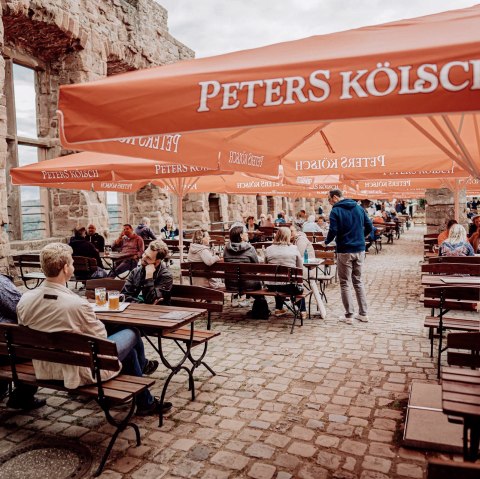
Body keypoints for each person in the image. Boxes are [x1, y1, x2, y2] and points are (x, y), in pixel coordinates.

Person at [16, 243, 169, 416]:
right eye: (72, 263)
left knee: (130, 353)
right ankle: (143, 383)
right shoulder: (77, 304)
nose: (73, 266)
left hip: (44, 367)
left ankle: (145, 401)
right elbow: (101, 338)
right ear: (66, 268)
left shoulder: (25, 299)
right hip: (79, 371)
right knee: (132, 332)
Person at [325, 189, 373, 324]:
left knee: (345, 282)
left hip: (344, 249)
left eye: (329, 200)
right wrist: (361, 237)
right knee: (358, 281)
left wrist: (327, 241)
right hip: (359, 249)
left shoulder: (336, 210)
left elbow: (333, 230)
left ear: (335, 197)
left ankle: (349, 315)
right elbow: (369, 226)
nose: (329, 203)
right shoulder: (358, 208)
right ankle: (363, 313)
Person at [0, 274, 46, 411]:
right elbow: (22, 310)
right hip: (8, 350)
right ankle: (22, 397)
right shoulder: (1, 284)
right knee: (39, 348)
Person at [265, 227, 307, 319]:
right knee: (295, 284)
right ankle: (302, 310)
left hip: (271, 286)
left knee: (278, 279)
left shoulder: (268, 249)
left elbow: (266, 266)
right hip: (289, 286)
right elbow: (300, 267)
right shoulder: (294, 248)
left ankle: (278, 308)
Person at [122, 239, 173, 304]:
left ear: (157, 261)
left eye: (148, 257)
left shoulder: (166, 276)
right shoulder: (135, 272)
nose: (143, 258)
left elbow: (152, 301)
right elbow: (123, 296)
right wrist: (140, 303)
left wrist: (149, 277)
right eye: (145, 253)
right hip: (135, 310)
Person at [223, 224, 260, 307]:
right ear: (241, 235)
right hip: (248, 285)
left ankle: (237, 298)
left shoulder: (226, 248)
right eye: (245, 232)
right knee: (255, 279)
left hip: (231, 284)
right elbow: (257, 267)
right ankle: (259, 301)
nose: (247, 234)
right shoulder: (250, 248)